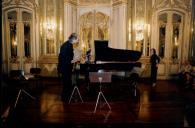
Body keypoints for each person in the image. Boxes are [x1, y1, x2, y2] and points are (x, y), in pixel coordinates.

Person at [58, 33, 79, 102]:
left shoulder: (67, 44)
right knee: (66, 83)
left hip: (66, 67)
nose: (78, 40)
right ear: (73, 39)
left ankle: (67, 97)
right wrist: (73, 61)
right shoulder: (67, 46)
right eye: (77, 39)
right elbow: (63, 58)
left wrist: (72, 60)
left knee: (67, 83)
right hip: (65, 68)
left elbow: (66, 57)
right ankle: (65, 98)